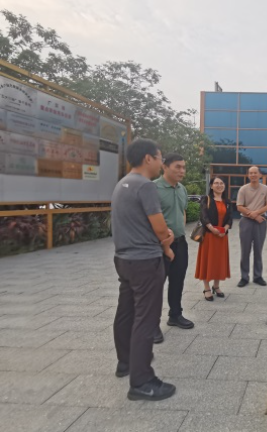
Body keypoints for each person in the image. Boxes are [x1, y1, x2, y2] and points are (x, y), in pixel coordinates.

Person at [111, 138, 176, 401]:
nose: (161, 163)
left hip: (124, 259)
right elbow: (160, 228)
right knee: (146, 318)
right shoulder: (146, 186)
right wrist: (167, 240)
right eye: (160, 158)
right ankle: (142, 381)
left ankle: (125, 362)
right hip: (145, 261)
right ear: (148, 158)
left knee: (126, 312)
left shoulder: (122, 184)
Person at [153, 153, 194, 342]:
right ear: (165, 167)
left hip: (180, 243)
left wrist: (179, 231)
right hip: (159, 245)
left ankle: (175, 315)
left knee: (178, 281)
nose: (182, 171)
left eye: (184, 167)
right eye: (178, 167)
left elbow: (182, 212)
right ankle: (151, 324)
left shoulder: (182, 189)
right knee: (155, 285)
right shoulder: (153, 188)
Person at [195, 176, 233, 300]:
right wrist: (212, 229)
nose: (219, 185)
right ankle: (206, 288)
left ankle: (216, 286)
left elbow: (230, 218)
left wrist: (225, 229)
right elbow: (203, 216)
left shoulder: (227, 202)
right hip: (209, 236)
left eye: (221, 183)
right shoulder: (206, 199)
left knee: (219, 262)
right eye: (216, 183)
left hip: (222, 236)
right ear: (211, 186)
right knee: (207, 261)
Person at [236, 166, 267, 287]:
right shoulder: (243, 189)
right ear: (248, 175)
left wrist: (256, 214)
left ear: (260, 175)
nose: (253, 175)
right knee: (245, 250)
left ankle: (258, 276)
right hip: (246, 221)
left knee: (258, 250)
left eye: (255, 173)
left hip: (260, 222)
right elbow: (239, 206)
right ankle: (244, 277)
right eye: (250, 173)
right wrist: (253, 215)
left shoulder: (266, 189)